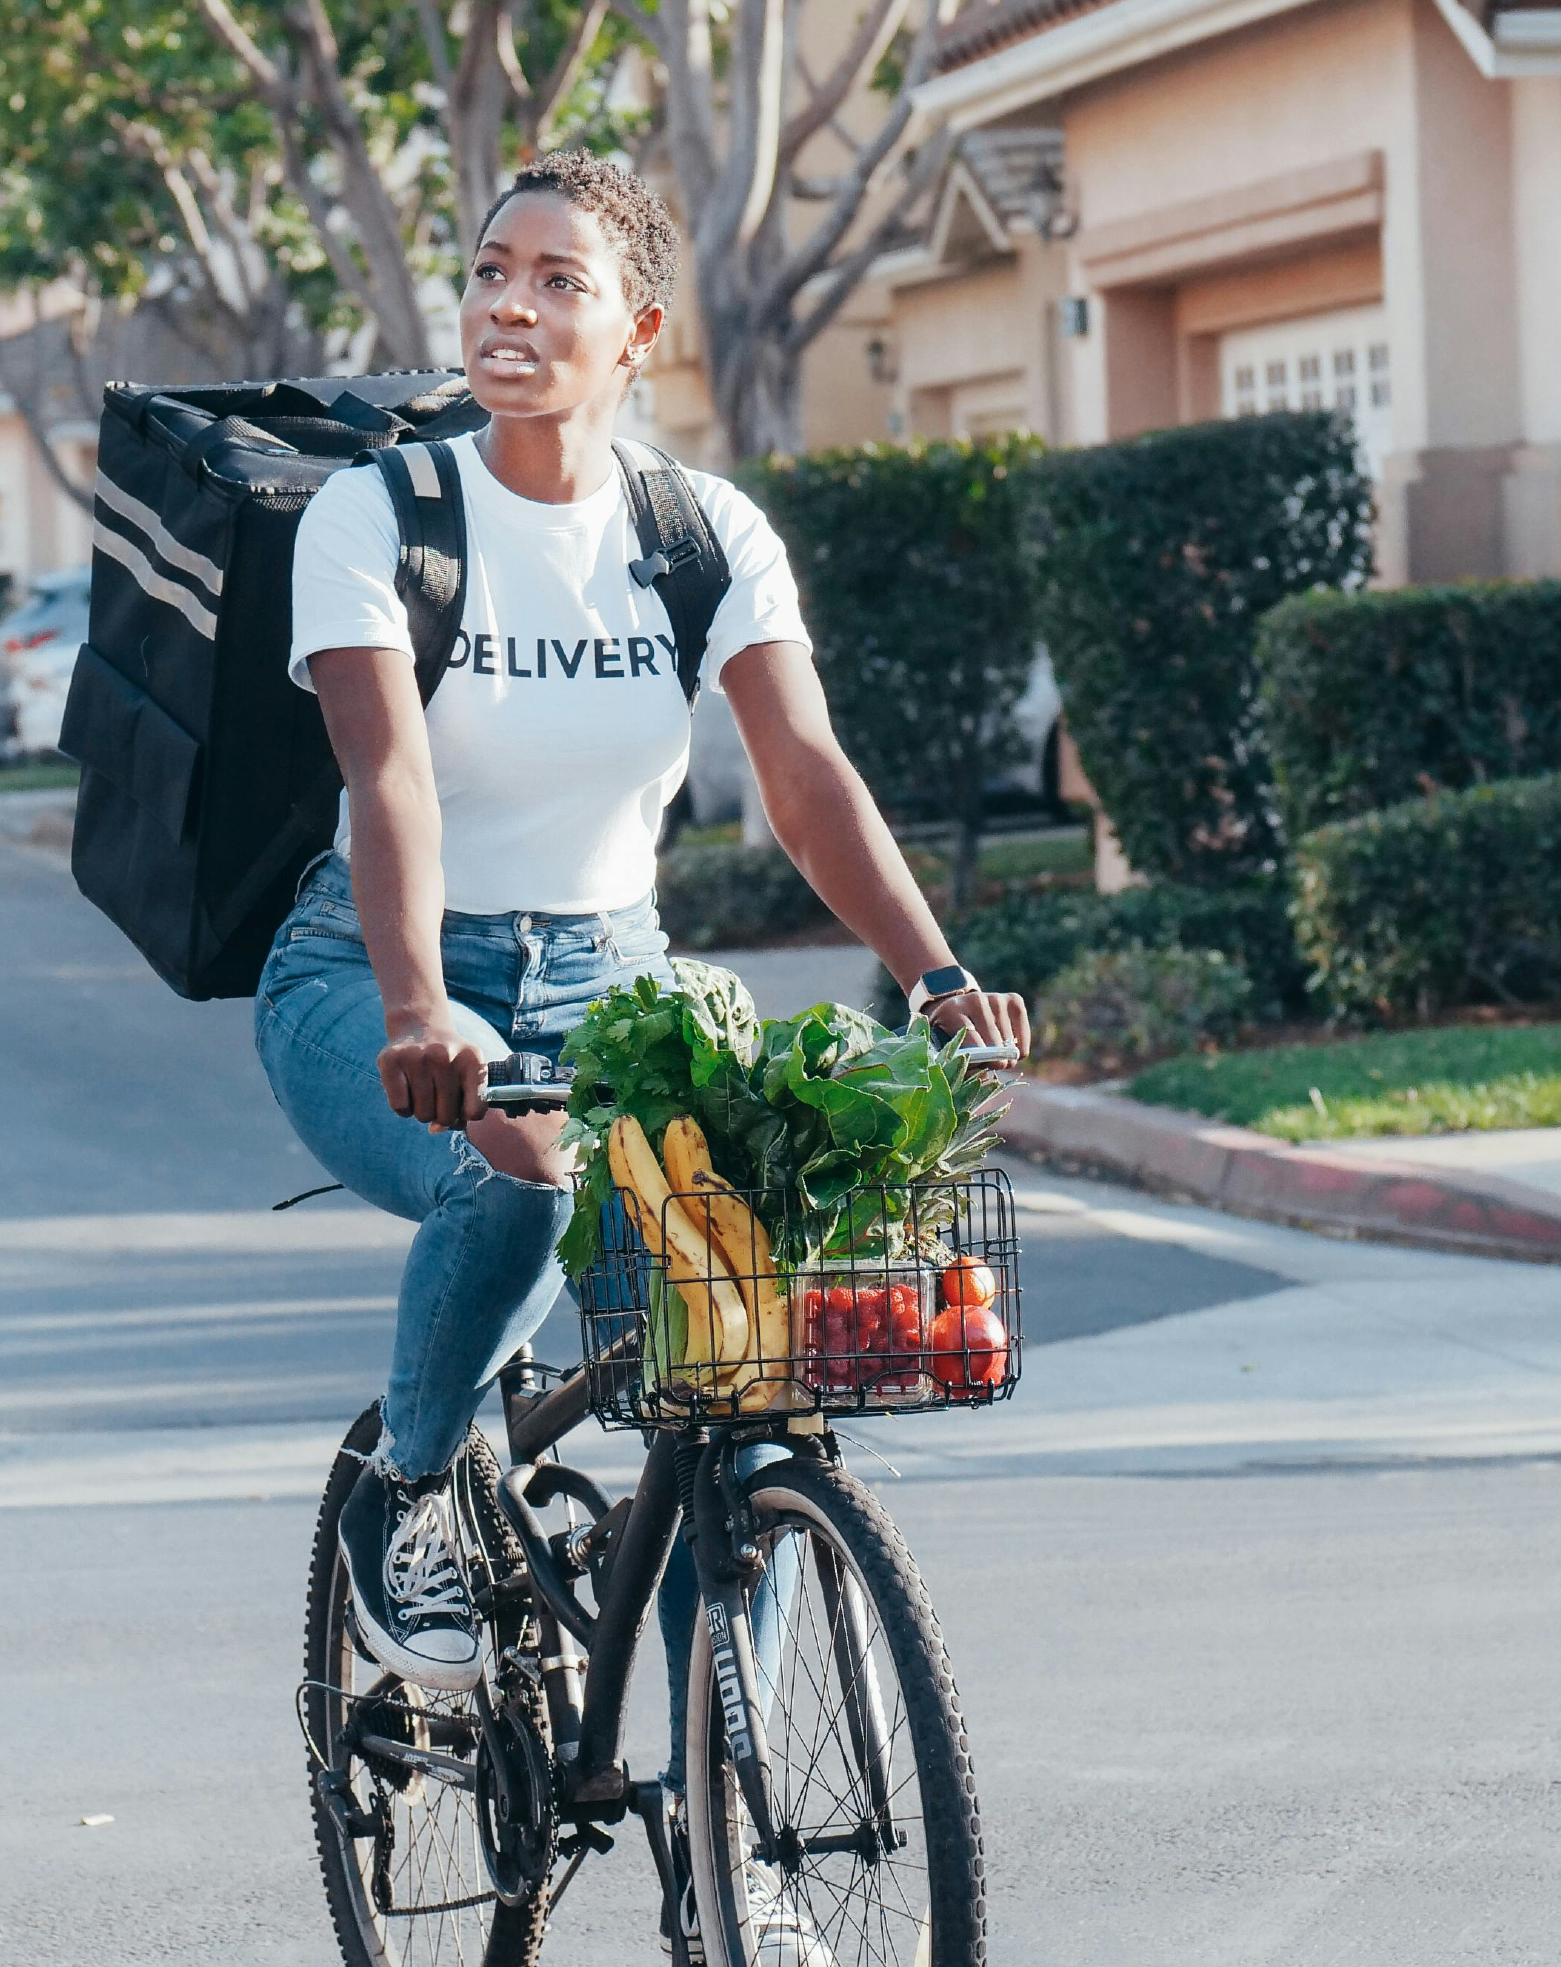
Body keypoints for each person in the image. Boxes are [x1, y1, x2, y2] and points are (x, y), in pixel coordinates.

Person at [256, 145, 1030, 1725]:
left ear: (640, 332)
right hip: (371, 972)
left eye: (558, 281)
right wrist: (421, 1010)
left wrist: (935, 970)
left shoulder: (700, 533)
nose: (509, 307)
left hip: (618, 984)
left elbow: (804, 776)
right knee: (511, 1179)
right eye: (488, 271)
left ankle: (729, 1832)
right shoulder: (376, 514)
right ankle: (414, 1493)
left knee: (719, 1359)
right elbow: (388, 775)